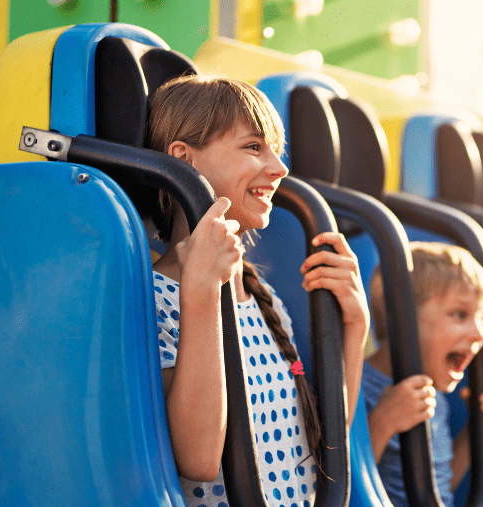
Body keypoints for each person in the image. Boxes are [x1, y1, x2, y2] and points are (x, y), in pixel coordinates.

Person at [146, 74, 370, 507]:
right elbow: (198, 459)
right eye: (254, 147)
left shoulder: (259, 294)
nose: (279, 168)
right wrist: (201, 292)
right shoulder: (156, 298)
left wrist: (355, 325)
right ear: (183, 161)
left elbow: (323, 438)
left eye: (275, 150)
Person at [362, 242, 483, 507]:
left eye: (482, 318)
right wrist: (382, 424)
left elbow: (435, 488)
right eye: (460, 314)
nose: (480, 333)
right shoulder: (359, 387)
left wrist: (479, 425)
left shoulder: (433, 393)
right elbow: (340, 486)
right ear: (403, 317)